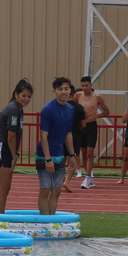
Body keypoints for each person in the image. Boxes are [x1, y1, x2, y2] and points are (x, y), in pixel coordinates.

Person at [0, 79, 33, 213]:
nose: (26, 99)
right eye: (23, 96)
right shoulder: (13, 109)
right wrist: (14, 155)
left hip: (6, 148)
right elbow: (11, 136)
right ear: (16, 95)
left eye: (29, 96)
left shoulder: (18, 109)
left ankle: (0, 216)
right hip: (1, 147)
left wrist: (15, 153)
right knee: (1, 189)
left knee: (5, 189)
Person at [36, 76, 78, 215]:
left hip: (60, 154)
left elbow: (68, 134)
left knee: (57, 190)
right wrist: (48, 158)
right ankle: (44, 220)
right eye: (60, 89)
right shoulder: (48, 109)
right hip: (45, 155)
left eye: (66, 89)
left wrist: (72, 154)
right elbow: (43, 135)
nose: (63, 92)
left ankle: (51, 219)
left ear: (70, 90)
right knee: (45, 189)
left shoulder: (71, 109)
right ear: (54, 91)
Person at [75, 76, 110, 188]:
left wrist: (96, 116)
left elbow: (107, 111)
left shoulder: (97, 97)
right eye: (82, 86)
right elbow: (72, 108)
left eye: (86, 85)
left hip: (91, 126)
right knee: (84, 153)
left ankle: (88, 177)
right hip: (81, 126)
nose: (84, 88)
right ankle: (89, 176)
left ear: (91, 85)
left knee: (90, 152)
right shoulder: (78, 95)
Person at [61, 97, 87, 193]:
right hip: (74, 135)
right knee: (72, 158)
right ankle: (67, 182)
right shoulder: (79, 107)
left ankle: (61, 181)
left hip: (61, 135)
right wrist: (76, 129)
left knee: (61, 159)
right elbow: (84, 124)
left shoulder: (57, 105)